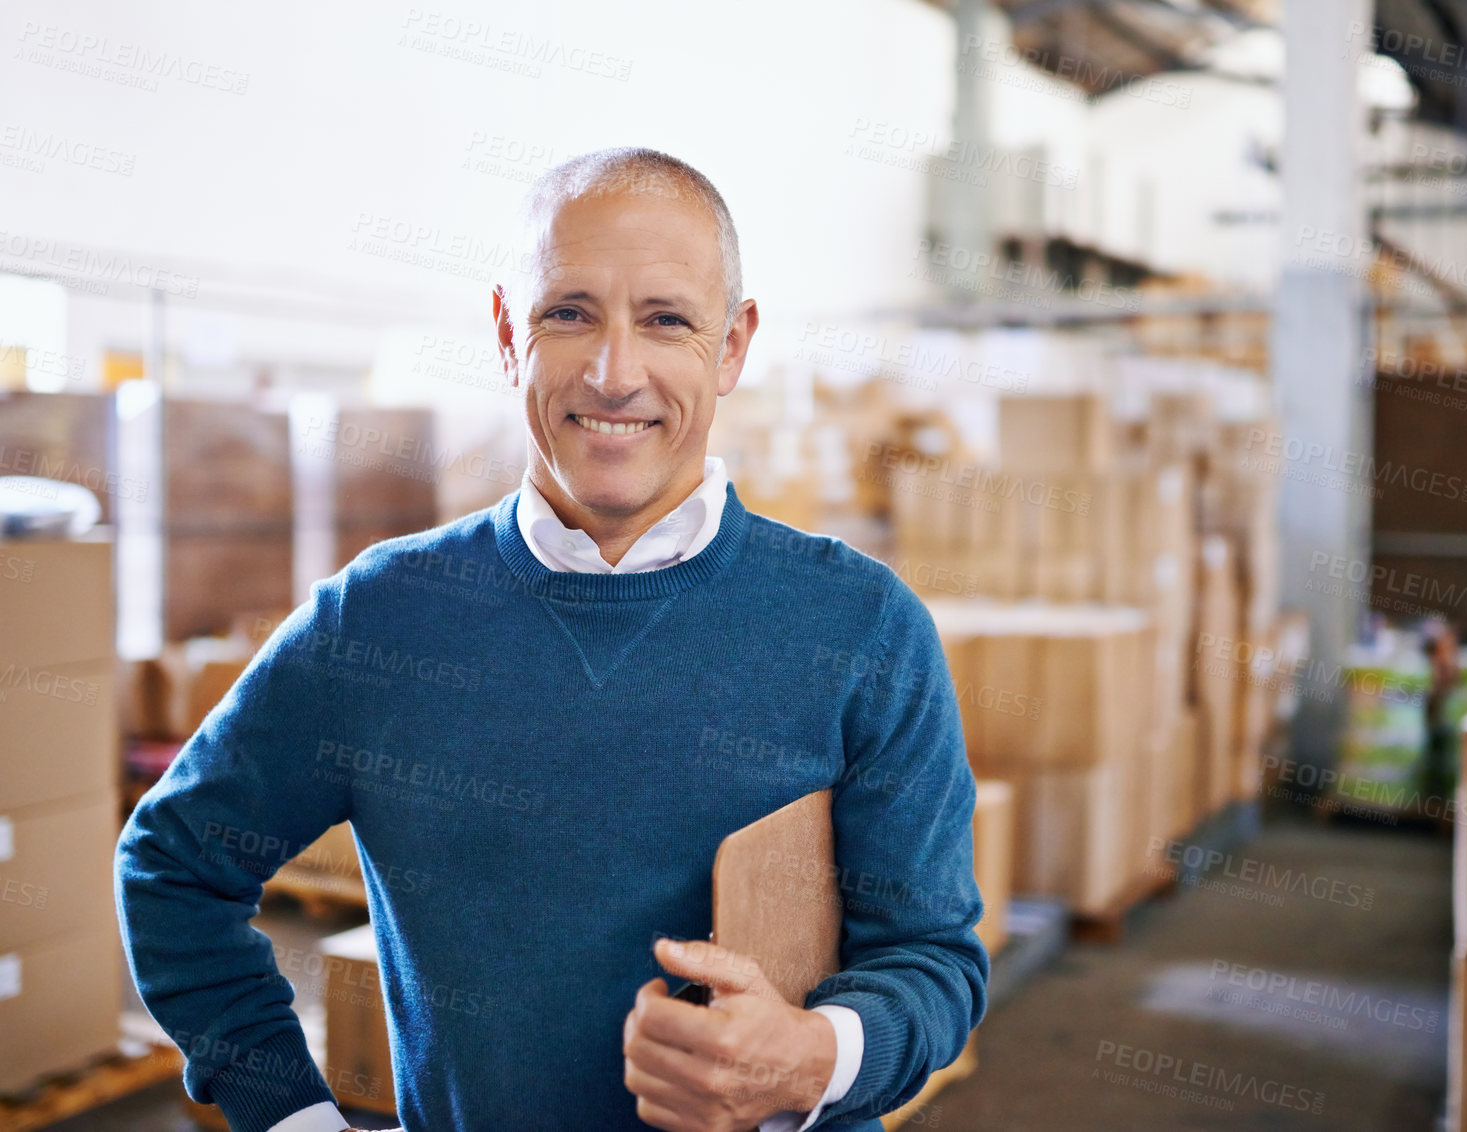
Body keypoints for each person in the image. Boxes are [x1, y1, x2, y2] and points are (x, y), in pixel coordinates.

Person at [116, 147, 987, 1132]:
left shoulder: (863, 627)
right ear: (504, 333)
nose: (615, 374)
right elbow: (174, 863)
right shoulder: (382, 620)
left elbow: (933, 960)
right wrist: (288, 1115)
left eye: (666, 320)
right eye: (568, 312)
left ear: (733, 346)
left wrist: (810, 1055)